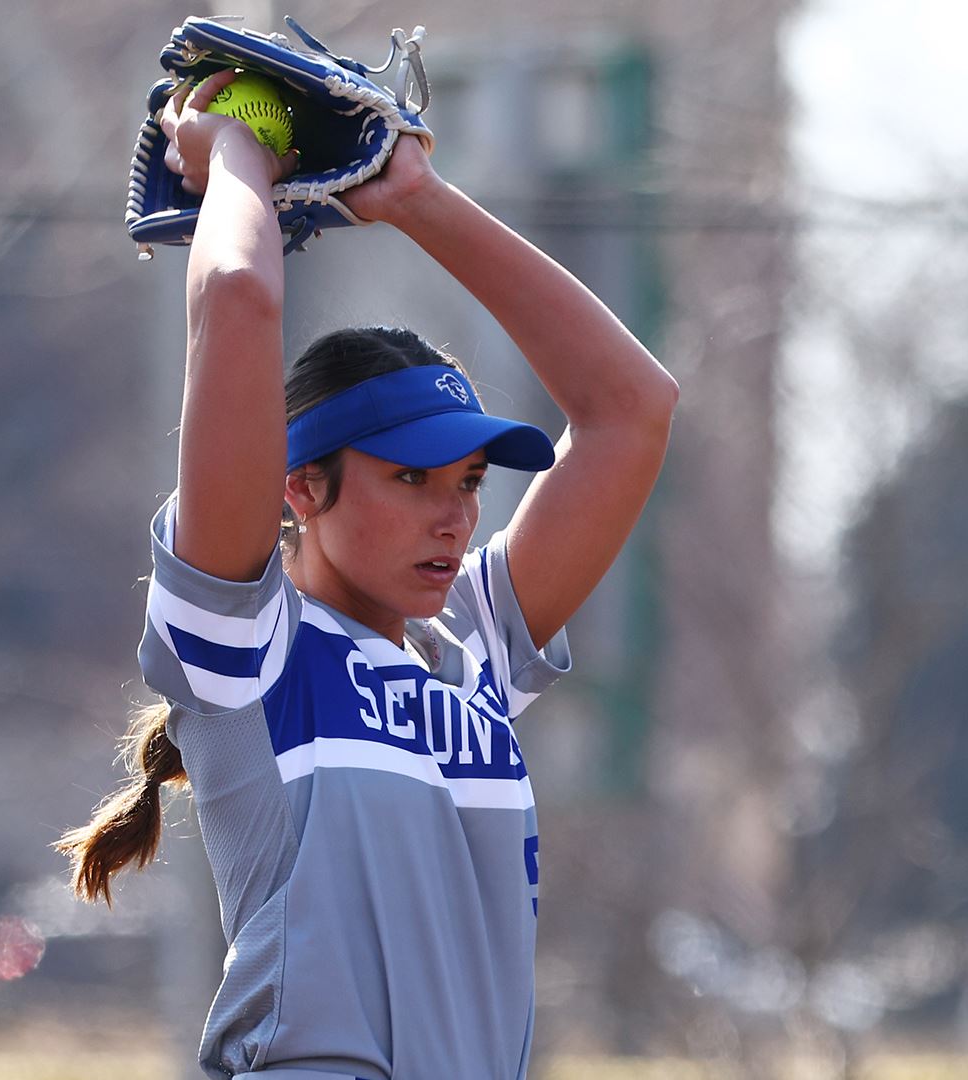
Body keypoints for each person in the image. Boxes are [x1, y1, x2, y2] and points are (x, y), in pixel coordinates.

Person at [55, 70, 678, 1079]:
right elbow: (240, 295)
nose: (457, 514)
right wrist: (237, 163)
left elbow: (633, 409)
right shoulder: (251, 654)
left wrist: (414, 197)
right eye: (412, 478)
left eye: (470, 480)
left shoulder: (469, 648)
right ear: (300, 490)